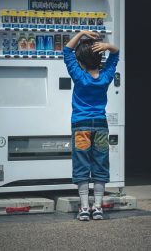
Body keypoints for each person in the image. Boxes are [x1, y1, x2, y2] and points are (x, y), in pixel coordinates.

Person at [63, 30, 119, 221]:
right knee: (100, 164)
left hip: (81, 126)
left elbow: (66, 51)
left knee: (82, 165)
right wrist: (107, 46)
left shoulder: (79, 76)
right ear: (99, 58)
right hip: (101, 127)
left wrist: (81, 33)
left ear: (81, 61)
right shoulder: (105, 77)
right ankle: (98, 207)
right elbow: (116, 53)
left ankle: (84, 208)